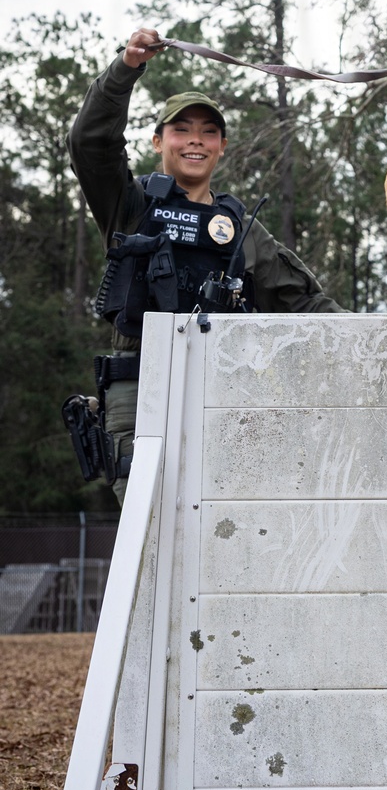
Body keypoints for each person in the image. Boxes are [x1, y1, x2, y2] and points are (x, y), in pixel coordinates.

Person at [69, 25, 342, 502]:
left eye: (208, 132)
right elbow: (90, 144)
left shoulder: (241, 230)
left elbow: (310, 306)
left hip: (225, 396)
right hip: (141, 394)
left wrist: (383, 345)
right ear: (158, 141)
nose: (195, 141)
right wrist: (125, 70)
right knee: (150, 537)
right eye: (181, 129)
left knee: (223, 537)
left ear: (221, 146)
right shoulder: (131, 207)